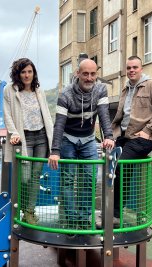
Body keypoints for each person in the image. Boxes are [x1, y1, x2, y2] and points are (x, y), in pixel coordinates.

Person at [48, 59, 114, 228]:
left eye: (93, 74)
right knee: (68, 180)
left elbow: (104, 115)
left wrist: (108, 136)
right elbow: (59, 123)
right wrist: (55, 150)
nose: (89, 78)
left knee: (89, 178)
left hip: (89, 139)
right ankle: (71, 219)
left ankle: (84, 219)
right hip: (67, 139)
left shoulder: (100, 89)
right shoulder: (66, 94)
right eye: (85, 73)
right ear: (78, 74)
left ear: (96, 74)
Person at [111, 56, 152, 223]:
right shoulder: (126, 88)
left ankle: (117, 214)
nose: (131, 70)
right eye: (129, 68)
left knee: (119, 167)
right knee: (118, 171)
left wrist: (148, 130)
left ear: (141, 68)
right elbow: (122, 115)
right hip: (124, 137)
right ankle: (116, 213)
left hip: (143, 137)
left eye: (135, 67)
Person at [3, 58, 54, 225]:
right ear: (18, 74)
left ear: (34, 73)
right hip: (23, 138)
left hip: (41, 137)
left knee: (35, 176)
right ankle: (21, 207)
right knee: (24, 177)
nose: (27, 75)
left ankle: (30, 212)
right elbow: (7, 114)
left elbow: (45, 113)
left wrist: (52, 138)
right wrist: (14, 133)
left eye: (30, 71)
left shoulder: (38, 91)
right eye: (23, 72)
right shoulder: (10, 90)